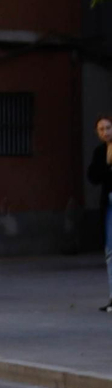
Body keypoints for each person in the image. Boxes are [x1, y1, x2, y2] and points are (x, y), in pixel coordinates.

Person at [88, 115, 112, 313]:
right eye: (101, 129)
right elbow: (93, 177)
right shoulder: (99, 152)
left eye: (108, 128)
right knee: (110, 251)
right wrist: (107, 165)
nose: (105, 132)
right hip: (109, 204)